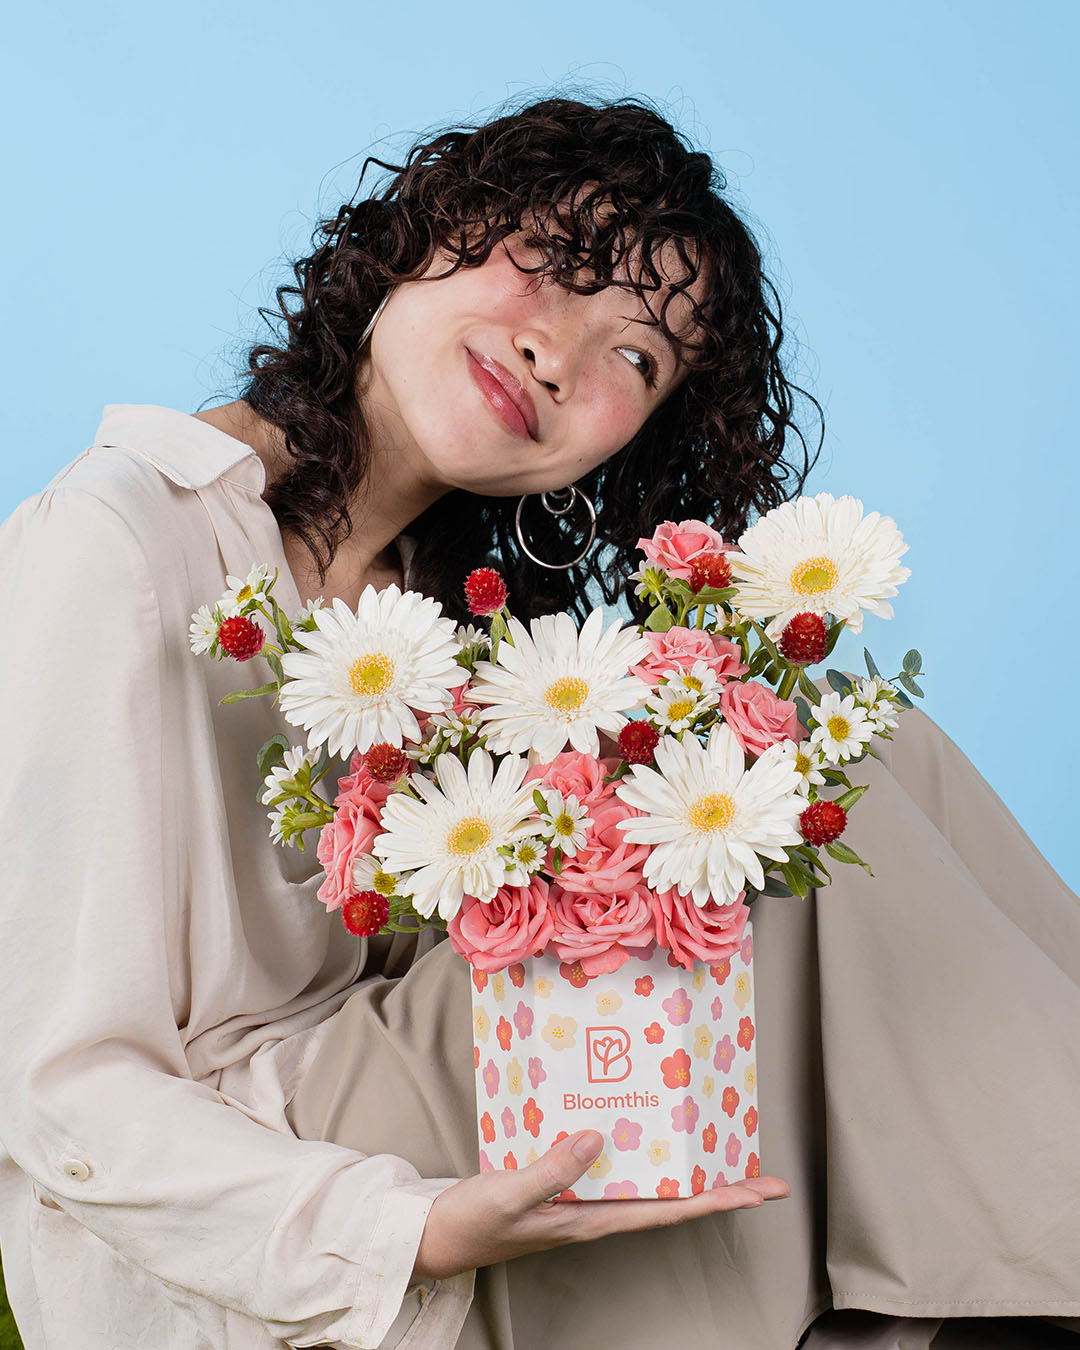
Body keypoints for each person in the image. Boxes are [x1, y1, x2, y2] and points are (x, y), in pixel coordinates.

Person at [0, 94, 1076, 1350]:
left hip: (397, 1093)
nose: (564, 352)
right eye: (554, 265)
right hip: (248, 1184)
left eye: (638, 358)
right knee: (811, 768)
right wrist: (414, 1230)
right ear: (419, 234)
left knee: (826, 773)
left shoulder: (451, 626)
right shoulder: (120, 539)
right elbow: (54, 1085)